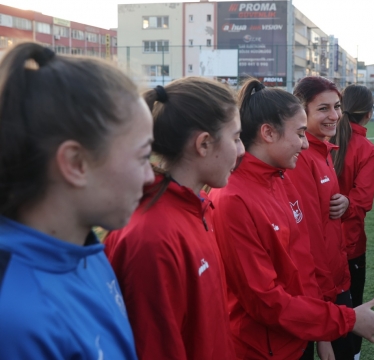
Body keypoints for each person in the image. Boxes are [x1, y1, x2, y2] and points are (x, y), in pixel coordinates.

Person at [210, 78, 374, 360]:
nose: (306, 144)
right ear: (268, 133)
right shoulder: (233, 199)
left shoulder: (280, 179)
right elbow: (265, 301)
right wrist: (344, 320)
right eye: (299, 133)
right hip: (261, 348)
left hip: (294, 337)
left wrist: (319, 329)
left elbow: (303, 265)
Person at [0, 42, 152, 358]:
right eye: (143, 157)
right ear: (76, 163)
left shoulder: (86, 252)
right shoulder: (14, 319)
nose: (150, 176)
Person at [103, 78, 243, 360]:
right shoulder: (152, 238)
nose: (241, 151)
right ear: (203, 143)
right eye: (236, 137)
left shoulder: (195, 207)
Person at [289, 76, 355, 359]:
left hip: (336, 281)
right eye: (323, 109)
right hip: (321, 290)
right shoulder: (301, 157)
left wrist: (344, 202)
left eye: (337, 107)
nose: (334, 116)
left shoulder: (323, 151)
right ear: (301, 111)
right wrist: (322, 327)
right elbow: (307, 239)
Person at [330, 84, 374, 359]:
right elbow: (362, 202)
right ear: (369, 114)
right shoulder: (368, 151)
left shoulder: (318, 142)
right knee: (351, 313)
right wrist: (348, 203)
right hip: (349, 247)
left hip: (313, 245)